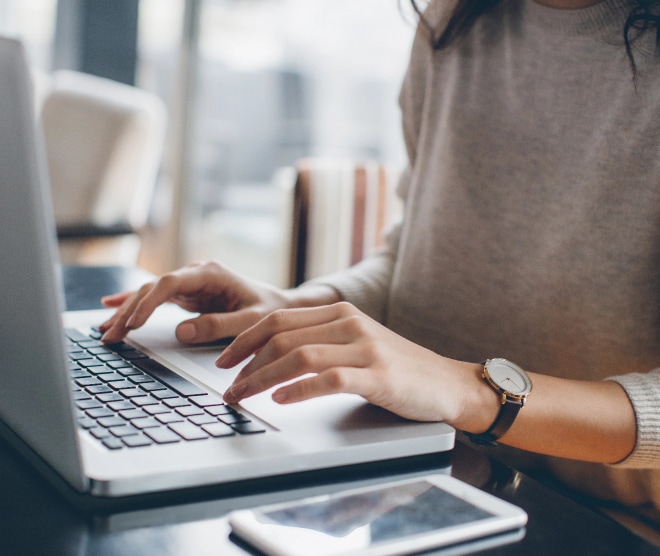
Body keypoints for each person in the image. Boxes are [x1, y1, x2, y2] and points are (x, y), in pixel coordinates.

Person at [101, 0, 660, 527]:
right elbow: (412, 251)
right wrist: (298, 306)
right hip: (417, 473)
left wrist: (469, 390)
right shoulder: (454, 20)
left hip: (603, 524)